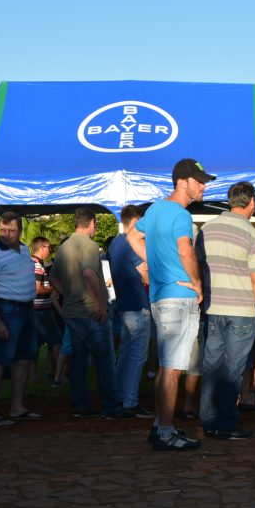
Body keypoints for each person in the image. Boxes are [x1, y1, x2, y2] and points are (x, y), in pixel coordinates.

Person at [127, 158, 213, 451]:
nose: (203, 186)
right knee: (174, 369)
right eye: (199, 181)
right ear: (181, 182)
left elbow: (132, 236)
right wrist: (197, 283)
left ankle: (160, 426)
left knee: (166, 367)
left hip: (161, 296)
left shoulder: (155, 209)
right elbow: (185, 250)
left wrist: (154, 263)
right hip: (179, 296)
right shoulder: (180, 214)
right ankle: (165, 431)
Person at [195, 181, 255, 440]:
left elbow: (197, 267)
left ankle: (208, 420)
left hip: (213, 307)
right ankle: (227, 423)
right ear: (252, 203)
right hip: (241, 310)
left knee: (211, 366)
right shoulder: (251, 234)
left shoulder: (207, 229)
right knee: (233, 369)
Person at [50, 207, 124, 418]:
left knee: (78, 361)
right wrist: (99, 304)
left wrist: (69, 293)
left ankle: (80, 405)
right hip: (92, 312)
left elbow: (53, 278)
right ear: (92, 223)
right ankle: (110, 406)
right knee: (105, 360)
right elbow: (89, 273)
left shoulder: (64, 247)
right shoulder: (90, 245)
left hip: (73, 312)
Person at [0, 212, 41, 427]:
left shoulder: (24, 249)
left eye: (11, 231)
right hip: (6, 309)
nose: (5, 234)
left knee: (23, 357)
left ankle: (16, 406)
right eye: (2, 230)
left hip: (26, 308)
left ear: (20, 231)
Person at [109, 204, 154, 418]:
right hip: (138, 305)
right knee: (137, 356)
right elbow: (147, 277)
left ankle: (120, 395)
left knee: (125, 353)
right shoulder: (133, 243)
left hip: (123, 305)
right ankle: (130, 401)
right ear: (136, 222)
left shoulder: (115, 243)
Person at [30, 236, 63, 383]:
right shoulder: (37, 265)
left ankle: (33, 375)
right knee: (56, 342)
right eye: (49, 247)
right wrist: (54, 288)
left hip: (34, 310)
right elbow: (37, 289)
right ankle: (59, 375)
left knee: (35, 344)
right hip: (42, 310)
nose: (50, 250)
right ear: (42, 247)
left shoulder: (31, 262)